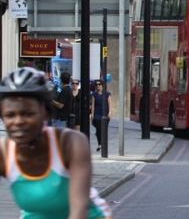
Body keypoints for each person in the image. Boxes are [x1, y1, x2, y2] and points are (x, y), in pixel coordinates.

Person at [0, 67, 111, 218]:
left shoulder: (71, 143)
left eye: (28, 113)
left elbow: (78, 210)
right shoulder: (4, 152)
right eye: (10, 115)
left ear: (45, 113)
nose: (18, 121)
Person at [89, 80, 110, 152]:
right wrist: (92, 114)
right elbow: (93, 105)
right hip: (97, 114)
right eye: (96, 85)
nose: (98, 86)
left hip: (105, 113)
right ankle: (100, 144)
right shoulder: (94, 95)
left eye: (99, 84)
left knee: (103, 129)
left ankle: (102, 144)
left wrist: (110, 112)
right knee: (99, 129)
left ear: (102, 85)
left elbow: (109, 104)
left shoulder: (107, 94)